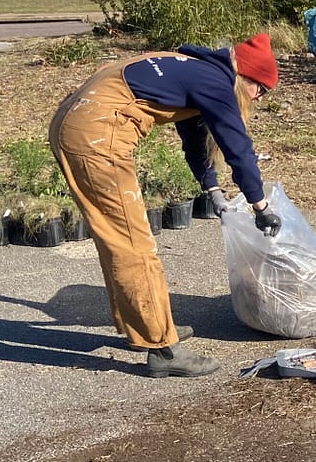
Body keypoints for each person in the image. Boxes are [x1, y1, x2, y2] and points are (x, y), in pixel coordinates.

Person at [49, 32, 284, 378]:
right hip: (98, 134)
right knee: (134, 243)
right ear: (243, 76)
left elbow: (196, 143)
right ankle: (163, 348)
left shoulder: (196, 71)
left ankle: (149, 328)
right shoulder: (217, 83)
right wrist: (261, 206)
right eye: (259, 89)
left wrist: (213, 191)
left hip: (77, 122)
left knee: (118, 238)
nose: (258, 98)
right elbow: (239, 149)